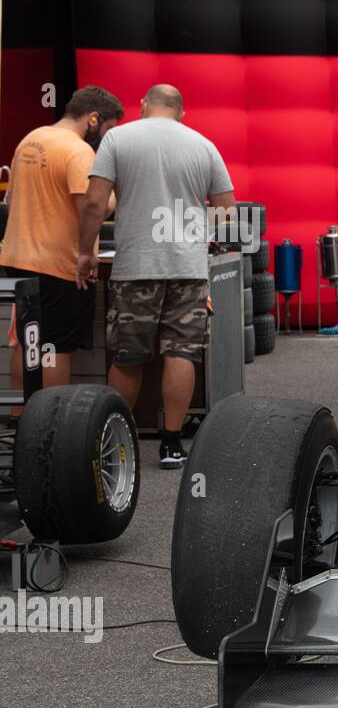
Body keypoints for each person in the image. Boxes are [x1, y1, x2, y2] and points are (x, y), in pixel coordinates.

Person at [76, 84, 237, 468]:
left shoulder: (118, 138)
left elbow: (96, 202)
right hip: (188, 267)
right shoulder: (203, 144)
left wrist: (84, 251)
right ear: (182, 112)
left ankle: (118, 441)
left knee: (129, 355)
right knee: (181, 353)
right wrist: (197, 235)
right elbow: (228, 211)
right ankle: (171, 444)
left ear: (144, 105)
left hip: (136, 268)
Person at [2, 86, 123, 409]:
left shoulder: (30, 139)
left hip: (19, 259)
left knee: (26, 340)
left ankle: (19, 419)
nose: (106, 136)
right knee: (55, 346)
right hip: (59, 264)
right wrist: (112, 196)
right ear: (93, 118)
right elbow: (92, 205)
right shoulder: (78, 151)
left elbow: (11, 201)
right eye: (108, 128)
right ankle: (49, 424)